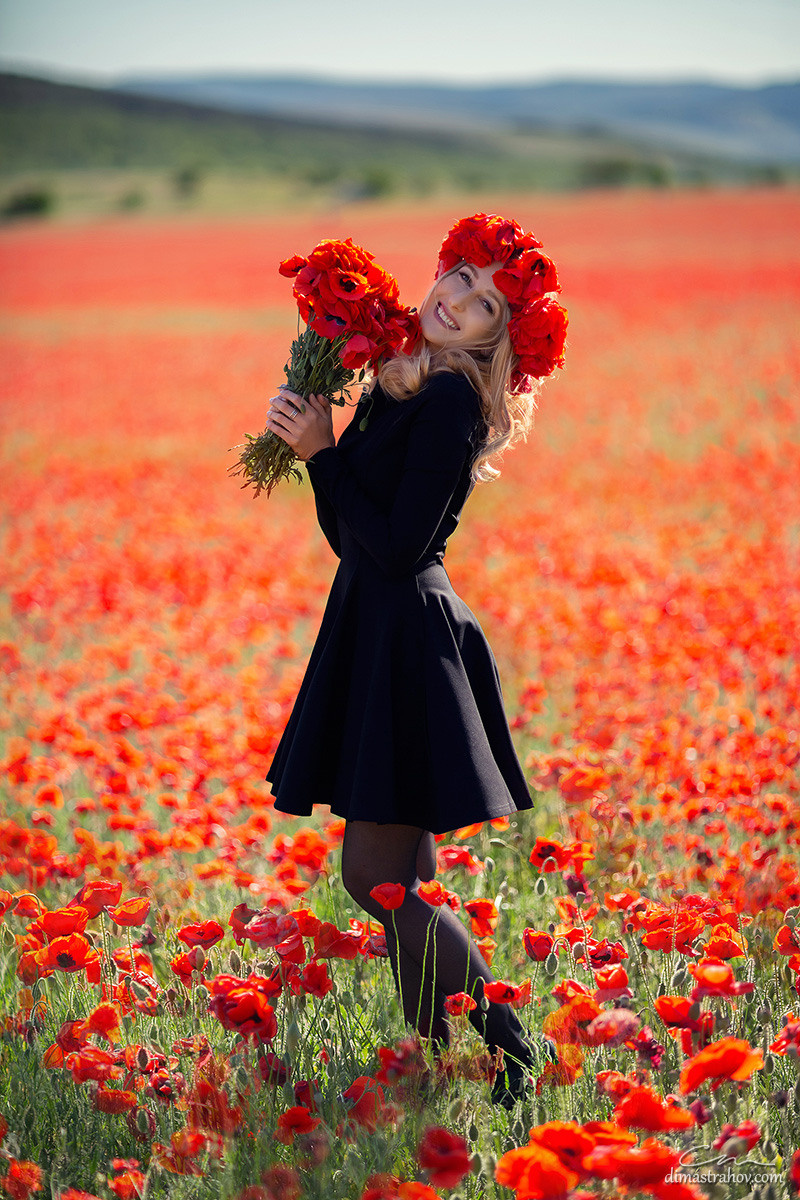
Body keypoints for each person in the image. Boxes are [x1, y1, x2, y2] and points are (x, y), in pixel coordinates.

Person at [262, 213, 568, 1105]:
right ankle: (438, 1071)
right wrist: (316, 446)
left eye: (481, 308)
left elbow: (396, 547)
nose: (456, 301)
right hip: (377, 621)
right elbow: (351, 539)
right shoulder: (400, 386)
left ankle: (515, 1051)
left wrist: (324, 454)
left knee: (379, 880)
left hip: (407, 634)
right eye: (460, 278)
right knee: (407, 885)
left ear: (495, 342)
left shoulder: (449, 405)